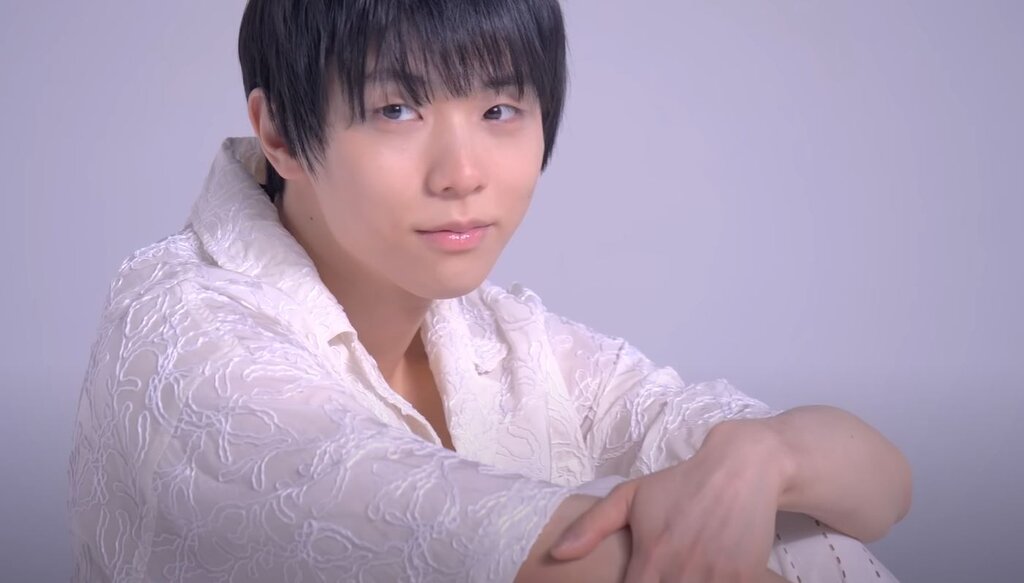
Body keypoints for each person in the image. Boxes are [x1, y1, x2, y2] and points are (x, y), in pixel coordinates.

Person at [68, 1, 912, 581]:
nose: (462, 174)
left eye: (500, 109)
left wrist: (757, 456)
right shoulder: (184, 333)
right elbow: (585, 566)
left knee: (800, 527)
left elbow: (882, 484)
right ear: (281, 133)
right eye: (396, 110)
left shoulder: (491, 336)